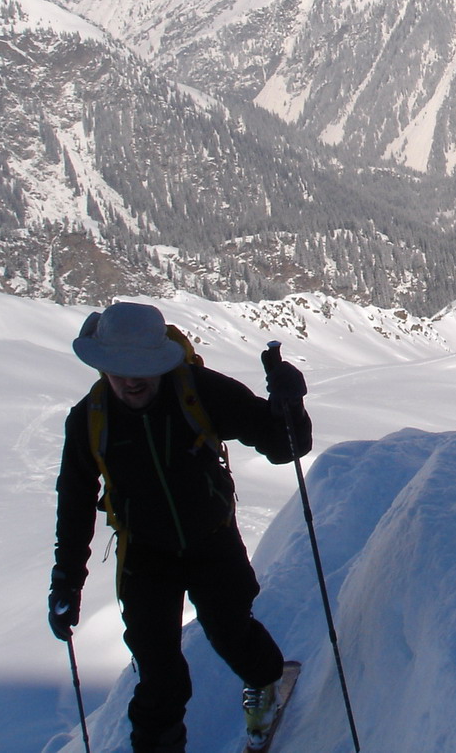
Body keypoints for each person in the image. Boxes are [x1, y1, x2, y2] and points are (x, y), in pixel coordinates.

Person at [47, 301, 311, 753]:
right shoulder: (88, 419)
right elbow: (74, 503)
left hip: (211, 542)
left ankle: (266, 680)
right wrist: (67, 581)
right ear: (102, 366)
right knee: (158, 674)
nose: (132, 379)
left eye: (144, 368)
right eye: (120, 369)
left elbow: (286, 446)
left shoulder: (199, 392)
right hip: (145, 555)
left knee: (231, 631)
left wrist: (291, 404)